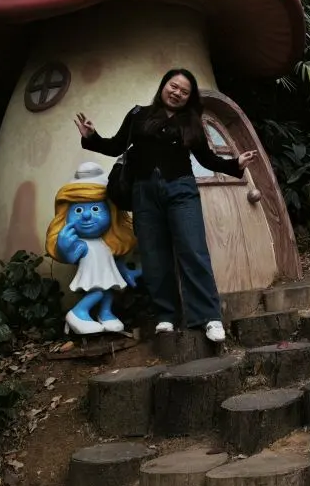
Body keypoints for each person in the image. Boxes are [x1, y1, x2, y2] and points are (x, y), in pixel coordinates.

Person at [74, 69, 256, 341]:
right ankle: (166, 316)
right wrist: (91, 136)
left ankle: (209, 317)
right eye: (174, 86)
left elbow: (206, 159)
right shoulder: (139, 115)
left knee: (193, 250)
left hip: (181, 189)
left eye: (184, 91)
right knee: (153, 254)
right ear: (163, 86)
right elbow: (115, 146)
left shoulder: (192, 123)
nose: (177, 93)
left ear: (189, 98)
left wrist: (235, 164)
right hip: (144, 191)